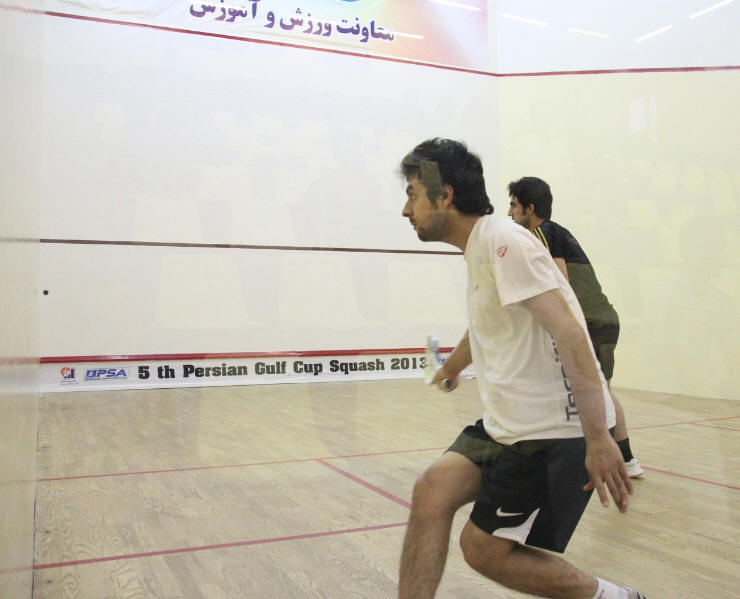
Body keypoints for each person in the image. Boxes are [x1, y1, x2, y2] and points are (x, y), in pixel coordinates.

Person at [397, 138, 646, 599]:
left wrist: (597, 436)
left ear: (445, 195)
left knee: (483, 550)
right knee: (432, 490)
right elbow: (484, 326)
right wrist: (450, 369)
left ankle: (615, 598)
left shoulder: (504, 242)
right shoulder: (482, 245)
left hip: (551, 434)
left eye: (412, 194)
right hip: (509, 426)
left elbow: (571, 334)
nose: (406, 210)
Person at [507, 176, 643, 479]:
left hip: (589, 323)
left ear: (530, 208)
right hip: (603, 319)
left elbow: (559, 283)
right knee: (603, 392)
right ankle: (625, 460)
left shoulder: (540, 233)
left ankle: (616, 459)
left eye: (514, 205)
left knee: (596, 395)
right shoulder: (558, 231)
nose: (509, 212)